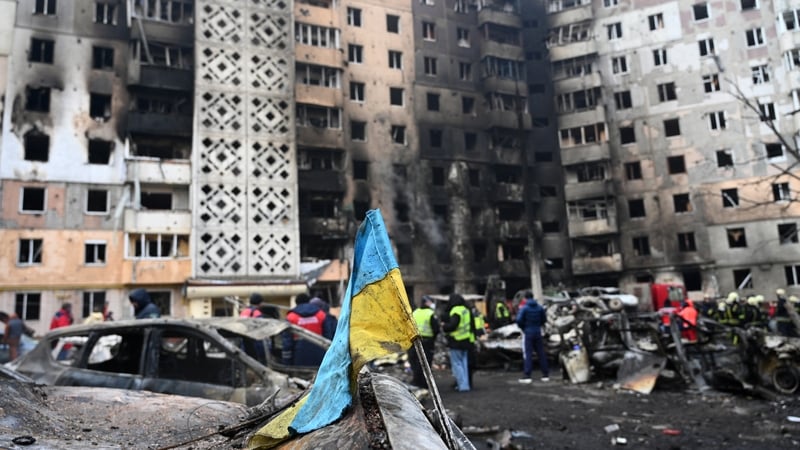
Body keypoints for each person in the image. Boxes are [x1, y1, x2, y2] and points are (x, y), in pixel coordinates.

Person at [282, 293, 328, 365]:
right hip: (320, 355)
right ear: (309, 301)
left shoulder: (291, 317)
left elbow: (287, 342)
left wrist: (286, 362)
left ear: (296, 303)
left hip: (299, 355)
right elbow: (329, 335)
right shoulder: (321, 314)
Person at [442, 293, 473, 392]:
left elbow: (453, 325)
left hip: (456, 341)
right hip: (466, 340)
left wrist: (444, 326)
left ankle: (462, 386)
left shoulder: (455, 311)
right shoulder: (466, 310)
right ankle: (466, 385)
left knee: (457, 364)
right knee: (464, 364)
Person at [516, 291, 549, 383]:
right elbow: (544, 319)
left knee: (528, 353)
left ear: (525, 298)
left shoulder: (524, 308)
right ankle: (545, 374)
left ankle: (527, 375)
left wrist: (523, 327)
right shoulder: (539, 307)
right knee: (541, 353)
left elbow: (518, 320)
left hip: (528, 332)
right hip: (538, 331)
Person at [408, 296, 439, 387]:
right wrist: (433, 339)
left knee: (415, 362)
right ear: (427, 303)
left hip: (415, 341)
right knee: (426, 363)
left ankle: (416, 381)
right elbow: (436, 329)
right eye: (431, 302)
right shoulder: (430, 313)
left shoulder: (415, 312)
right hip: (427, 342)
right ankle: (425, 383)